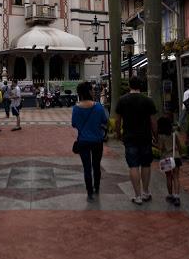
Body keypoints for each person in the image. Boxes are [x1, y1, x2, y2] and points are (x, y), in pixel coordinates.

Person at [115, 76, 157, 205]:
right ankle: (145, 192)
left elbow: (118, 120)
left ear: (129, 85)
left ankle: (137, 196)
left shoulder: (122, 100)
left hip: (129, 137)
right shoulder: (148, 101)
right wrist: (156, 135)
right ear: (141, 86)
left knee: (133, 165)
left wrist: (118, 133)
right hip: (145, 137)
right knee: (145, 164)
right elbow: (153, 121)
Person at [72, 81, 108, 201]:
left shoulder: (76, 108)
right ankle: (96, 187)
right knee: (96, 165)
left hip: (83, 141)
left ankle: (89, 192)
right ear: (88, 91)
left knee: (87, 167)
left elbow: (74, 124)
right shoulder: (98, 106)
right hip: (97, 140)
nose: (93, 91)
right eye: (92, 90)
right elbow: (104, 121)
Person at [157, 113, 183, 206]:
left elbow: (160, 148)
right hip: (176, 157)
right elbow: (179, 146)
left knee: (168, 177)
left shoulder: (161, 136)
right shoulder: (174, 134)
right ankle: (177, 196)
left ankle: (170, 195)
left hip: (166, 158)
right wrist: (181, 154)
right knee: (176, 177)